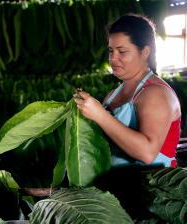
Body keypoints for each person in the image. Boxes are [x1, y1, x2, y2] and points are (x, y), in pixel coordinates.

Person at [74, 14, 181, 168]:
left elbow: (147, 153)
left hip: (149, 187)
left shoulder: (156, 93)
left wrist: (100, 115)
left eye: (122, 52)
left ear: (145, 52)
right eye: (111, 51)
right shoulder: (113, 95)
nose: (113, 59)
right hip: (113, 185)